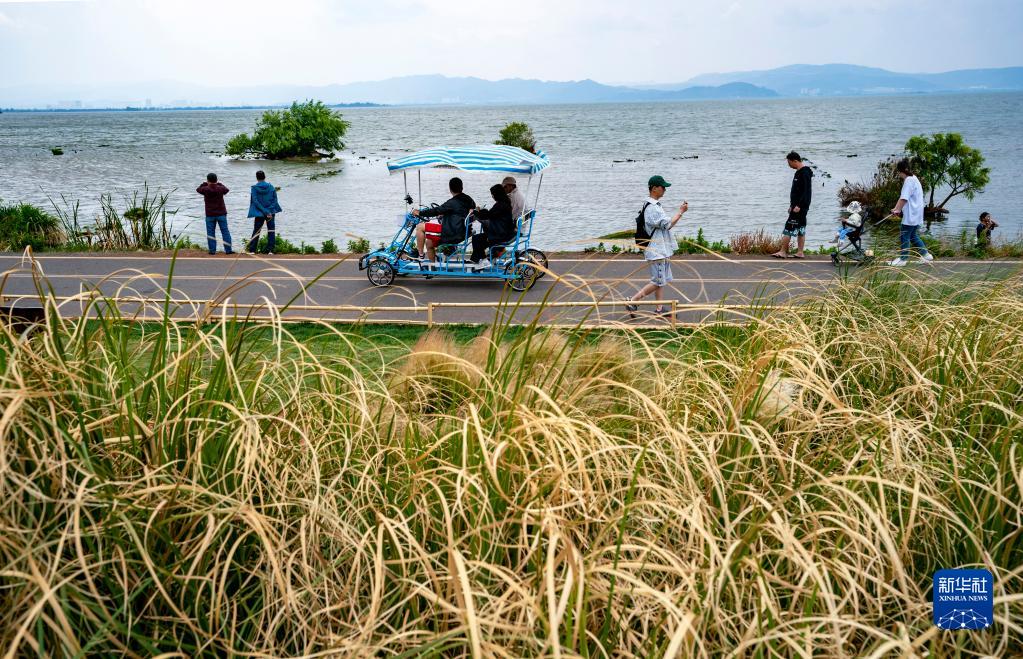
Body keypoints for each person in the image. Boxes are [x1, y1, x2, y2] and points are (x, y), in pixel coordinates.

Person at [625, 175, 688, 318]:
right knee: (656, 281)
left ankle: (659, 309)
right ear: (654, 188)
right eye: (662, 187)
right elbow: (668, 224)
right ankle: (633, 301)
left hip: (660, 249)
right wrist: (681, 212)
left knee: (661, 280)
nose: (664, 190)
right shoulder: (652, 208)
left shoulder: (653, 205)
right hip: (656, 250)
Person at [411, 177, 475, 263]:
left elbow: (436, 210)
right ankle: (432, 267)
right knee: (429, 242)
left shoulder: (452, 202)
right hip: (464, 231)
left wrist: (419, 213)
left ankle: (420, 255)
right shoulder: (469, 199)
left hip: (453, 232)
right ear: (462, 187)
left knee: (420, 227)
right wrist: (446, 213)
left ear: (450, 189)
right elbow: (461, 210)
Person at [889, 158, 933, 266]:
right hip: (916, 212)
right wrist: (895, 208)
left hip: (911, 213)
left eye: (898, 172)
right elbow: (903, 197)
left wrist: (898, 210)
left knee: (904, 235)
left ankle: (903, 259)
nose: (898, 174)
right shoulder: (914, 178)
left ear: (901, 171)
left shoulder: (908, 180)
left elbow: (904, 198)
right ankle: (926, 255)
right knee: (913, 235)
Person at [771, 151, 813, 259]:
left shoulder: (804, 173)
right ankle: (800, 252)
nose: (788, 165)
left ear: (795, 161)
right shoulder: (798, 172)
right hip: (796, 206)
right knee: (801, 229)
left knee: (788, 228)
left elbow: (806, 191)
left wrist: (799, 205)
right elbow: (796, 191)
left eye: (789, 163)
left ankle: (783, 251)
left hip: (799, 207)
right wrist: (791, 205)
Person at [469, 184, 516, 270]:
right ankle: (475, 259)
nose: (492, 196)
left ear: (497, 194)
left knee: (477, 239)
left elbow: (488, 215)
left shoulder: (501, 205)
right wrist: (481, 211)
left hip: (500, 234)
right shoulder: (504, 203)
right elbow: (491, 213)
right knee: (478, 238)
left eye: (493, 194)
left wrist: (475, 212)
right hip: (504, 230)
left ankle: (483, 261)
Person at [246, 170, 283, 254]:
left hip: (259, 213)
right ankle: (270, 250)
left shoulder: (254, 188)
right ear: (264, 177)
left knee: (256, 231)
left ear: (256, 177)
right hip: (271, 213)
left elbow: (255, 201)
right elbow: (275, 200)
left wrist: (264, 211)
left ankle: (252, 250)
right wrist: (269, 211)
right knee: (271, 230)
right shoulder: (271, 187)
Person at [196, 173, 232, 255]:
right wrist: (218, 183)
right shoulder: (220, 188)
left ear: (208, 180)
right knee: (225, 232)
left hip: (210, 214)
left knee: (210, 233)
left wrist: (205, 183)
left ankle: (212, 251)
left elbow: (198, 189)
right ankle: (228, 250)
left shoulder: (205, 189)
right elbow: (226, 189)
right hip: (221, 213)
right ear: (216, 180)